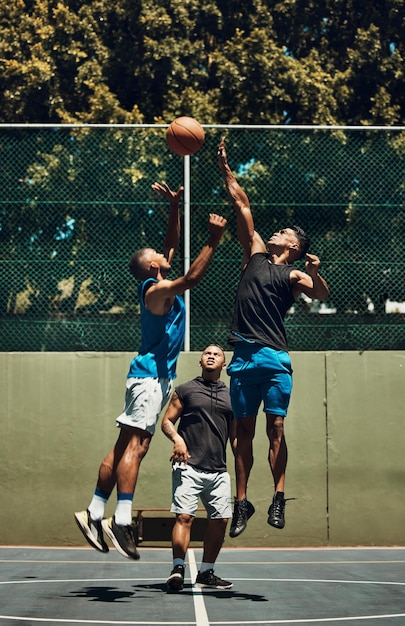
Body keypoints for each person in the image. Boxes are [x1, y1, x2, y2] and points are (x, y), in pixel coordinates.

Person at [75, 182, 227, 560]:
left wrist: (174, 208)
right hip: (149, 379)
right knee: (138, 447)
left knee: (123, 445)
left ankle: (94, 511)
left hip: (148, 377)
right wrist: (213, 240)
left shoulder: (158, 282)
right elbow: (191, 279)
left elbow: (170, 244)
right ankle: (121, 519)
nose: (166, 254)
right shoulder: (155, 292)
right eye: (160, 256)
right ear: (153, 267)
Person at [218, 137, 330, 538]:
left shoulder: (294, 274)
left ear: (294, 246)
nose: (275, 232)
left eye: (283, 231)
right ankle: (242, 501)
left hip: (275, 359)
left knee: (276, 430)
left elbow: (320, 293)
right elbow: (242, 205)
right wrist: (227, 169)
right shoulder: (255, 254)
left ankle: (278, 498)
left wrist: (316, 272)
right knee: (241, 435)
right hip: (244, 359)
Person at [162, 344, 233, 591]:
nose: (211, 356)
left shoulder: (232, 395)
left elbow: (236, 437)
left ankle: (206, 572)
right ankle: (177, 569)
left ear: (224, 364)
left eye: (217, 354)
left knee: (221, 520)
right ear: (200, 361)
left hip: (219, 470)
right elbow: (167, 421)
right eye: (207, 354)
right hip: (188, 467)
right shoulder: (185, 390)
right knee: (184, 516)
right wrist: (178, 439)